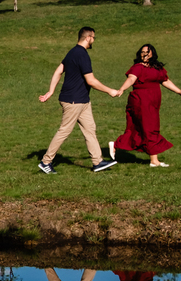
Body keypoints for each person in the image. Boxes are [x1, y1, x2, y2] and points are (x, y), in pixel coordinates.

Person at [37, 27, 121, 174]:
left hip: (83, 101)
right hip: (73, 101)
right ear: (88, 37)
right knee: (64, 131)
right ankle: (46, 162)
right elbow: (91, 81)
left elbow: (58, 71)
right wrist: (110, 91)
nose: (94, 40)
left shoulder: (72, 52)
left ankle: (98, 162)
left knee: (90, 130)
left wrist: (51, 91)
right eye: (93, 38)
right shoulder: (81, 54)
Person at [110, 44, 181, 167]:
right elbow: (131, 79)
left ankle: (117, 145)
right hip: (141, 101)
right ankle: (153, 160)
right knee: (149, 128)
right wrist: (122, 89)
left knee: (146, 128)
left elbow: (165, 81)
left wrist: (179, 91)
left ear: (152, 54)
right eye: (142, 52)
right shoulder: (137, 67)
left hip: (153, 102)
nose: (144, 54)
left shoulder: (157, 68)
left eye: (147, 52)